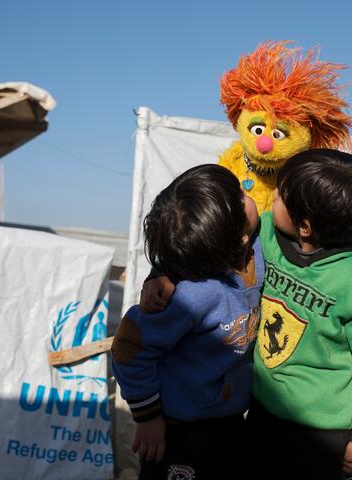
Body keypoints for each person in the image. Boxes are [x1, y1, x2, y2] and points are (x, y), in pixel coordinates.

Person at [142, 149, 352, 479]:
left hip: (324, 434)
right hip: (262, 413)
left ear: (305, 226)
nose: (271, 196)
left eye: (280, 196)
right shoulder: (264, 236)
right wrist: (160, 273)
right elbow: (203, 239)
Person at [111, 164, 262, 480]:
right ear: (241, 239)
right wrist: (147, 417)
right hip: (178, 432)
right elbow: (129, 347)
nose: (249, 195)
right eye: (240, 195)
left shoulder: (255, 249)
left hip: (230, 420)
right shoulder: (191, 296)